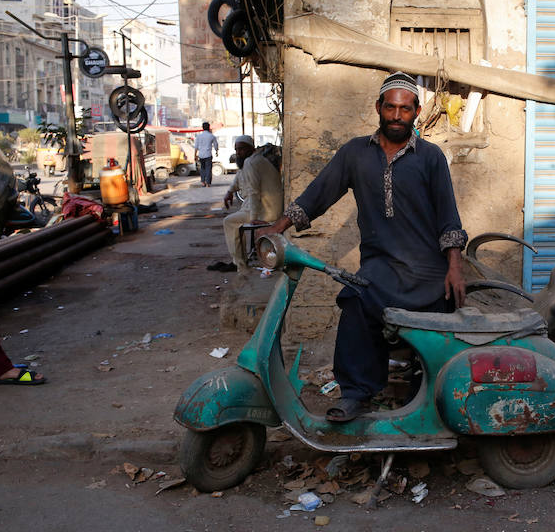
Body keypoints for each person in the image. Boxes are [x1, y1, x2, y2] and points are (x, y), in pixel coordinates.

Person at [259, 71, 467, 422]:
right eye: (390, 108)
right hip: (380, 268)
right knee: (355, 302)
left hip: (428, 271)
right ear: (378, 108)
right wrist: (278, 228)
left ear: (416, 112)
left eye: (405, 109)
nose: (397, 116)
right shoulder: (355, 153)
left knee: (437, 330)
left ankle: (428, 400)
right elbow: (318, 194)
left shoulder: (431, 157)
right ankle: (356, 394)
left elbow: (449, 216)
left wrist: (455, 267)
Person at [208, 136, 284, 273]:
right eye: (236, 150)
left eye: (242, 149)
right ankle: (239, 260)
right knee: (235, 220)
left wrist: (254, 217)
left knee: (229, 222)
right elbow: (240, 177)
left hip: (267, 211)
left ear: (251, 148)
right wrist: (230, 191)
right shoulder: (254, 160)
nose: (238, 153)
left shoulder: (251, 162)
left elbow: (254, 192)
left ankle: (240, 265)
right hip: (268, 207)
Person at [194, 122, 219, 187]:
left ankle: (203, 182)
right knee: (208, 169)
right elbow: (216, 145)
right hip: (208, 155)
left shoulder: (199, 136)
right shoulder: (211, 136)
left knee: (202, 168)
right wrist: (216, 151)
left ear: (202, 128)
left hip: (201, 155)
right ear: (209, 127)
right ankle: (208, 183)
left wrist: (195, 155)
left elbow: (196, 147)